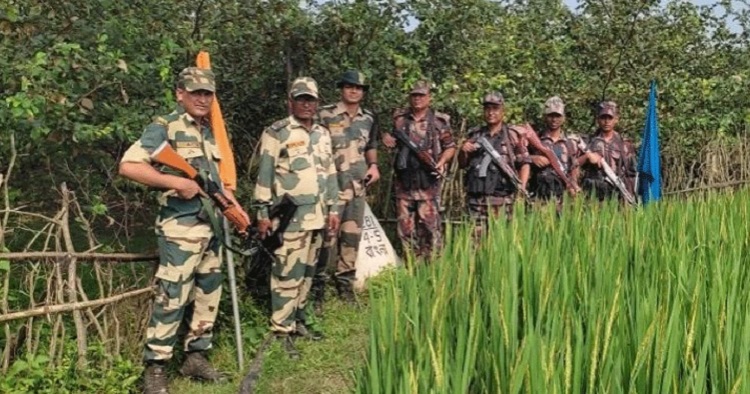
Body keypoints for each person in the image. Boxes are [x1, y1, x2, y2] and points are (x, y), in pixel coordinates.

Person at [119, 67, 249, 394]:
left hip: (212, 228)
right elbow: (129, 165)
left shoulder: (210, 133)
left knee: (208, 293)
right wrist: (174, 181)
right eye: (195, 93)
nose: (202, 99)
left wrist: (234, 209)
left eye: (208, 94)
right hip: (181, 228)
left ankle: (196, 356)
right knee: (173, 295)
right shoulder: (165, 127)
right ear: (180, 93)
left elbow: (215, 182)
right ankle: (156, 368)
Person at [253, 77, 342, 359]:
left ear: (317, 102)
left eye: (310, 99)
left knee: (306, 274)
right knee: (287, 274)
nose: (306, 103)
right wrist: (262, 211)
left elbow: (329, 173)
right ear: (290, 101)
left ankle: (299, 320)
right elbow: (264, 173)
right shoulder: (277, 132)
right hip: (290, 218)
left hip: (317, 217)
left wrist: (334, 208)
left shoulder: (322, 134)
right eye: (301, 98)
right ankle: (281, 330)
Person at [311, 70, 379, 307]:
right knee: (326, 237)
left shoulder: (368, 118)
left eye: (359, 88)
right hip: (331, 186)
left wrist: (374, 166)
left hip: (358, 185)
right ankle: (317, 288)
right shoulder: (325, 114)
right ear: (342, 88)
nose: (354, 91)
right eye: (350, 86)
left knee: (351, 237)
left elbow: (371, 144)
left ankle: (345, 285)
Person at [382, 80, 456, 259]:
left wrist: (442, 162)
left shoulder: (439, 121)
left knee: (430, 229)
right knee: (405, 230)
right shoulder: (399, 119)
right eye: (414, 95)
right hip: (404, 185)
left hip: (428, 185)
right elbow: (389, 138)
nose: (417, 99)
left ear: (429, 97)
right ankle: (411, 267)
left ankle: (433, 269)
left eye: (421, 95)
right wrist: (386, 139)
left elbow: (450, 146)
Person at [458, 92, 531, 233]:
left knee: (500, 244)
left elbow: (525, 163)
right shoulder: (474, 134)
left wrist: (521, 186)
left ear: (503, 111)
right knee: (474, 244)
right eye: (487, 109)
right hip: (476, 200)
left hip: (502, 200)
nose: (491, 113)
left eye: (495, 109)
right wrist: (463, 150)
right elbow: (462, 164)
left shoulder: (512, 135)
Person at [577, 101, 637, 202]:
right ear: (598, 119)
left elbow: (631, 174)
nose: (606, 121)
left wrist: (628, 197)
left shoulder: (625, 145)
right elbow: (572, 165)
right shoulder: (588, 142)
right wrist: (587, 157)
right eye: (603, 118)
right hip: (592, 195)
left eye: (610, 118)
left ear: (616, 119)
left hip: (616, 194)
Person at [528, 96, 580, 212]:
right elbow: (518, 159)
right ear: (545, 117)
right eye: (551, 116)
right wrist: (532, 158)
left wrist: (573, 184)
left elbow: (574, 167)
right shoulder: (535, 139)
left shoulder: (571, 142)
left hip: (564, 197)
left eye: (557, 116)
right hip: (540, 197)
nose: (554, 120)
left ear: (563, 118)